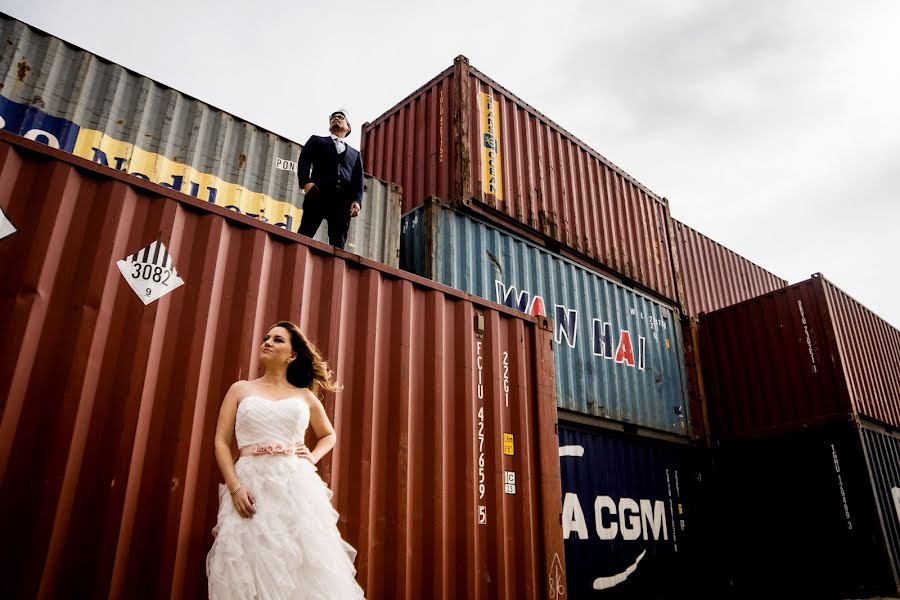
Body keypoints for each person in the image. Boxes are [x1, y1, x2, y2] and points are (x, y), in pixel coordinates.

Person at [206, 321, 365, 599]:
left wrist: (311, 456)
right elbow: (220, 441)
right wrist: (235, 487)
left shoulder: (303, 396)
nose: (267, 342)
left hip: (297, 488)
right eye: (266, 338)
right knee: (253, 561)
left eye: (278, 340)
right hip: (251, 488)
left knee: (301, 564)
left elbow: (328, 434)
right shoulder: (240, 389)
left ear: (292, 355)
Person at [297, 109, 364, 249]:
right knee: (304, 234)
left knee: (338, 244)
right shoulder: (317, 141)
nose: (336, 119)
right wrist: (305, 183)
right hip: (318, 193)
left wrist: (356, 201)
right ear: (329, 126)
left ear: (348, 128)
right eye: (333, 118)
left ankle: (335, 270)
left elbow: (358, 180)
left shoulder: (355, 154)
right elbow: (304, 161)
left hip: (342, 201)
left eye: (341, 117)